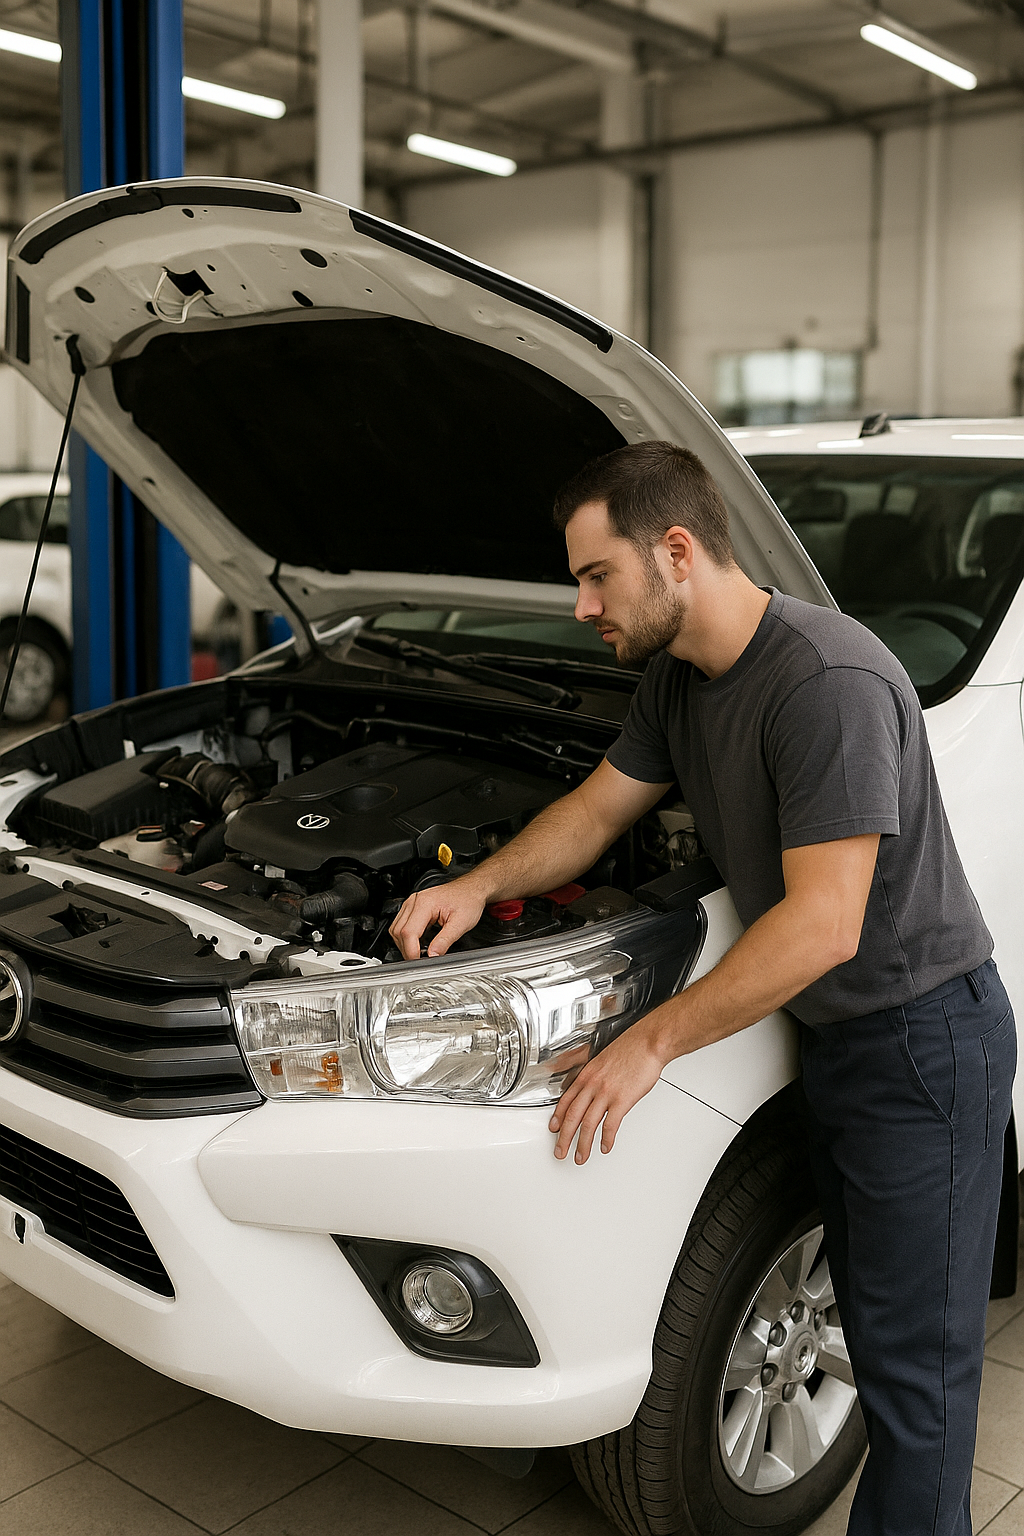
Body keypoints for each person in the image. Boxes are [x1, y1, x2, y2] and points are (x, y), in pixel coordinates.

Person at [390, 439, 1015, 1536]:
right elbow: (595, 811)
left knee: (917, 1383)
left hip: (923, 1046)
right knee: (872, 1334)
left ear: (675, 551)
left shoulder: (827, 682)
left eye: (596, 575)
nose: (582, 606)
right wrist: (480, 886)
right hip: (842, 1041)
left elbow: (823, 925)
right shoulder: (680, 682)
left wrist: (649, 1043)